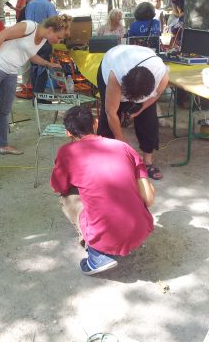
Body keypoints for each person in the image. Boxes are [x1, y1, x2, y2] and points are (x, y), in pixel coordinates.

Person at [51, 106, 155, 275]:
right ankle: (123, 235)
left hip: (109, 234)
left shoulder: (66, 152)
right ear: (96, 123)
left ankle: (96, 254)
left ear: (68, 133)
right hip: (141, 228)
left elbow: (58, 186)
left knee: (67, 197)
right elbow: (148, 197)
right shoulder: (124, 147)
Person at [0, 14, 71, 158]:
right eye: (59, 37)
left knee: (5, 110)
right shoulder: (29, 26)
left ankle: (2, 145)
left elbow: (30, 55)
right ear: (51, 29)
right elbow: (2, 35)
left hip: (11, 71)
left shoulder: (43, 40)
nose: (58, 41)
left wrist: (48, 64)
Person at [96, 45, 169, 180]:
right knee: (109, 120)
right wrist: (123, 143)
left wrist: (140, 109)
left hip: (140, 63)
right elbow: (110, 113)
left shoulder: (161, 74)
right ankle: (108, 161)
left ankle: (147, 162)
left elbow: (156, 95)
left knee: (149, 120)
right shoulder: (115, 76)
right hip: (111, 60)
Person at [25, 0, 58, 97]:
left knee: (34, 67)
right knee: (43, 67)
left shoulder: (30, 4)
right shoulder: (49, 5)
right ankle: (39, 96)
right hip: (43, 41)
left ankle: (35, 94)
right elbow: (55, 24)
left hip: (30, 39)